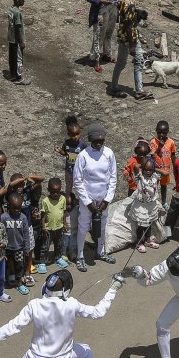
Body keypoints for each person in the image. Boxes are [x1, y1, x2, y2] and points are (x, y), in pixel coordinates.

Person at [72, 123, 119, 272]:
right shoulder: (83, 155)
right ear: (90, 139)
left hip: (103, 198)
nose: (99, 143)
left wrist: (107, 200)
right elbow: (77, 181)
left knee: (102, 225)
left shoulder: (109, 153)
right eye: (96, 140)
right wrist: (88, 202)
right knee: (83, 226)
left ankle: (101, 251)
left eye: (101, 140)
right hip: (88, 198)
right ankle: (80, 256)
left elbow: (113, 178)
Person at [110, 0, 153, 100]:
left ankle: (113, 86)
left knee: (121, 63)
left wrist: (137, 13)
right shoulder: (130, 4)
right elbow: (129, 25)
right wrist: (132, 45)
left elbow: (123, 17)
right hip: (130, 37)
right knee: (138, 63)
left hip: (122, 36)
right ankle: (139, 91)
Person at [85, 0, 121, 74]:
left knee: (109, 32)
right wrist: (100, 1)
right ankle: (96, 60)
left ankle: (107, 54)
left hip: (113, 7)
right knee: (99, 33)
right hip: (102, 9)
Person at [128, 156, 164, 253]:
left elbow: (165, 173)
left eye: (150, 170)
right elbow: (135, 167)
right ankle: (139, 242)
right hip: (141, 205)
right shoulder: (140, 176)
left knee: (149, 224)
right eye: (145, 169)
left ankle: (148, 241)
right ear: (142, 168)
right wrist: (145, 163)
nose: (148, 172)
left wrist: (153, 166)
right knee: (141, 225)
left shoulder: (155, 176)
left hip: (151, 205)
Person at [2, 192, 35, 296]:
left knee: (20, 265)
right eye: (14, 208)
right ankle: (11, 275)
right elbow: (0, 232)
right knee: (10, 262)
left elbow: (26, 235)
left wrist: (27, 249)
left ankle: (20, 282)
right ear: (8, 206)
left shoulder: (23, 217)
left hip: (19, 247)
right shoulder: (4, 217)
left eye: (19, 208)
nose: (17, 211)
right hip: (7, 247)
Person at [41, 178, 70, 269]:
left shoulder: (63, 199)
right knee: (45, 246)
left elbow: (64, 212)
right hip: (48, 228)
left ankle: (57, 258)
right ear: (49, 190)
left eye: (58, 192)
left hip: (59, 227)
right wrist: (43, 227)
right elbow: (43, 215)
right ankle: (42, 262)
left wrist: (64, 223)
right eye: (53, 192)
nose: (56, 194)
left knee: (59, 244)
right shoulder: (45, 201)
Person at [7, 0, 31, 85]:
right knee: (18, 58)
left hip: (10, 38)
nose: (23, 2)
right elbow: (18, 28)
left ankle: (12, 74)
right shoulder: (17, 13)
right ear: (17, 0)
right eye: (22, 0)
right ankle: (19, 78)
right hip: (16, 40)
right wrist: (21, 41)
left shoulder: (11, 9)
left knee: (12, 57)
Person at [56, 115, 86, 192]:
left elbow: (87, 156)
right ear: (69, 134)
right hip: (69, 170)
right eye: (73, 135)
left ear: (80, 132)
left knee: (81, 186)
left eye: (77, 134)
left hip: (80, 170)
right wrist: (60, 151)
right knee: (69, 186)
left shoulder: (83, 144)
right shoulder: (66, 143)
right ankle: (68, 199)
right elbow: (65, 153)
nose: (75, 136)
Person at [150, 120, 177, 206]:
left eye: (164, 133)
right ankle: (152, 201)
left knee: (164, 186)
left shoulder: (171, 142)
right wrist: (159, 147)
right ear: (156, 131)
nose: (161, 135)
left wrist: (175, 165)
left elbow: (173, 155)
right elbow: (153, 156)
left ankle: (164, 202)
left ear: (167, 132)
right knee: (153, 185)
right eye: (159, 132)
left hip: (165, 170)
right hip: (156, 170)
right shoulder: (153, 142)